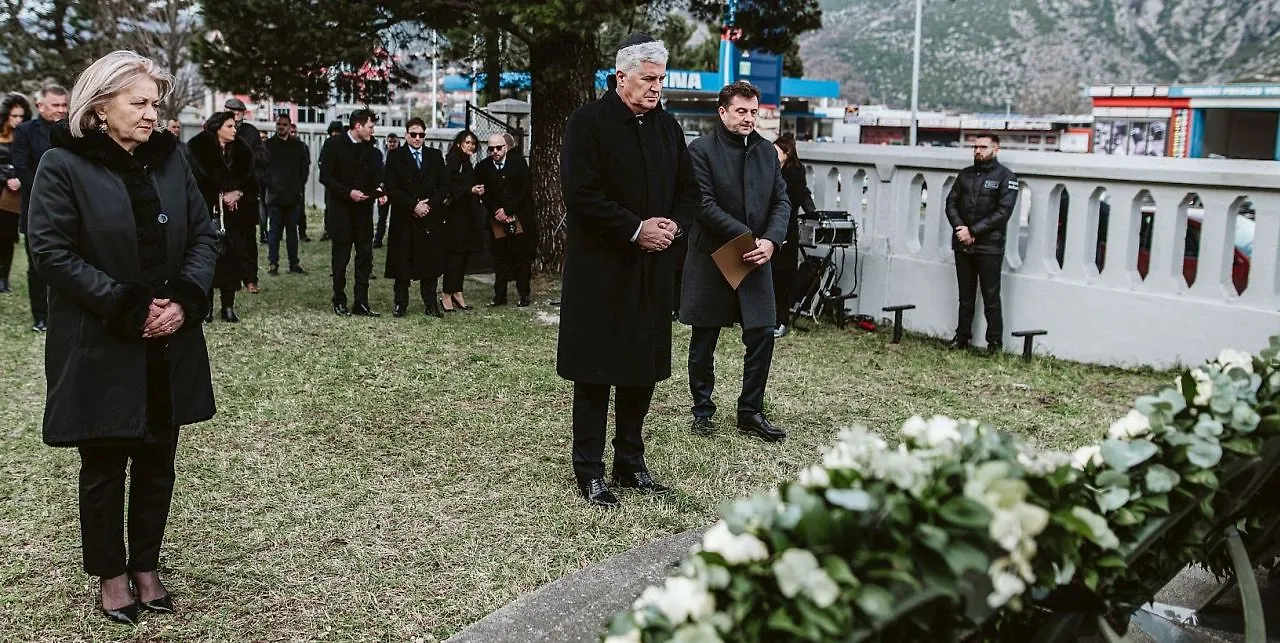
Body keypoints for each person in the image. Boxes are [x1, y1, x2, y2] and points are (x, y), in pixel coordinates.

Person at [27, 50, 218, 626]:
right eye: (138, 103)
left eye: (154, 104)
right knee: (106, 465)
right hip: (101, 343)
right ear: (100, 105)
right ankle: (111, 574)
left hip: (169, 341)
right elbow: (50, 252)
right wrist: (129, 306)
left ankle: (147, 566)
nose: (150, 114)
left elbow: (205, 235)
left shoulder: (171, 160)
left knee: (159, 461)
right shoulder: (62, 165)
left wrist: (183, 300)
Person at [558, 33, 697, 508]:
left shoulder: (668, 129)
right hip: (601, 270)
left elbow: (688, 191)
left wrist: (671, 226)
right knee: (596, 372)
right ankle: (590, 470)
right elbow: (581, 193)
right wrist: (636, 228)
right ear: (621, 78)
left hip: (651, 272)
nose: (657, 87)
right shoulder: (588, 124)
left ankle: (630, 462)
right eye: (648, 78)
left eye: (661, 79)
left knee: (640, 371)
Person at [681, 81, 790, 442]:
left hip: (757, 254)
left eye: (754, 112)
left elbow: (781, 202)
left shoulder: (766, 152)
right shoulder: (700, 150)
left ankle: (750, 411)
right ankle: (702, 410)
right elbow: (704, 205)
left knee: (762, 332)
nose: (749, 118)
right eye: (741, 111)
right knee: (704, 337)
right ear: (723, 111)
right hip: (713, 254)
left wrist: (771, 240)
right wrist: (748, 237)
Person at [944, 132, 1018, 355]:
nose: (978, 151)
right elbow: (951, 204)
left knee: (991, 297)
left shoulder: (1007, 177)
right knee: (965, 296)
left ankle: (994, 344)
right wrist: (960, 229)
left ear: (996, 149)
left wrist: (973, 231)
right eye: (975, 147)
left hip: (990, 247)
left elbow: (1003, 212)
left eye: (983, 147)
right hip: (963, 245)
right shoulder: (964, 175)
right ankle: (962, 338)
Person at [188, 111, 258, 322]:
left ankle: (228, 306)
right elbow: (195, 184)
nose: (234, 130)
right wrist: (219, 194)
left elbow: (252, 182)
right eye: (229, 126)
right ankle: (206, 306)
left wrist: (237, 192)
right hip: (208, 214)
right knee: (208, 258)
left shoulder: (242, 151)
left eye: (235, 126)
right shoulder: (198, 150)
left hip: (235, 217)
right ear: (217, 127)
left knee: (232, 259)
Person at [13, 84, 69, 331]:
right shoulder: (25, 131)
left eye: (64, 105)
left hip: (70, 209)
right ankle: (40, 316)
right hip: (36, 209)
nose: (61, 110)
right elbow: (22, 168)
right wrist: (50, 192)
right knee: (37, 267)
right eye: (55, 105)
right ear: (40, 106)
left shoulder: (73, 130)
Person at [319, 108, 385, 317]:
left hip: (364, 213)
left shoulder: (373, 151)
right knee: (341, 259)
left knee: (365, 258)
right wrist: (348, 193)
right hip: (341, 212)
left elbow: (378, 177)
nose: (373, 131)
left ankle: (361, 302)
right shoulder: (333, 145)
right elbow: (325, 177)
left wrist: (380, 192)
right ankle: (339, 299)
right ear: (358, 126)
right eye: (370, 127)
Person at [384, 117, 447, 318]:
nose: (417, 138)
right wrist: (413, 205)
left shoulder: (435, 156)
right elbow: (392, 187)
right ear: (406, 135)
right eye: (413, 134)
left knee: (430, 263)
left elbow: (444, 186)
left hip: (429, 217)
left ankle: (430, 304)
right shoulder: (395, 156)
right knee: (402, 263)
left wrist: (429, 205)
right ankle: (400, 304)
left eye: (421, 135)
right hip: (405, 217)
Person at [475, 132, 536, 307]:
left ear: (505, 147)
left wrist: (508, 210)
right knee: (500, 258)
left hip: (516, 215)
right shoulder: (483, 167)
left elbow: (524, 190)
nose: (495, 151)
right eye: (491, 148)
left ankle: (524, 294)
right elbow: (484, 193)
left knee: (521, 257)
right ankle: (499, 296)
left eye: (498, 148)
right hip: (497, 218)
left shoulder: (518, 163)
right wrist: (496, 211)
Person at [772, 133, 816, 339]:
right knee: (773, 277)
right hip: (778, 229)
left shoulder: (793, 173)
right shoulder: (779, 170)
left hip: (786, 231)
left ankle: (781, 320)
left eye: (776, 152)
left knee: (782, 277)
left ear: (787, 153)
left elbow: (796, 198)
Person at [263, 114, 309, 276]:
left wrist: (298, 185)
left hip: (293, 196)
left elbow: (305, 169)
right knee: (274, 231)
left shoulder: (298, 146)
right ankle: (273, 263)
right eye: (278, 124)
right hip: (274, 196)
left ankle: (293, 263)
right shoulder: (267, 146)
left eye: (284, 124)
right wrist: (270, 184)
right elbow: (262, 169)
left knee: (292, 231)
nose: (281, 127)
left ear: (290, 127)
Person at [223, 98, 269, 249]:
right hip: (222, 199)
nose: (236, 115)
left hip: (246, 197)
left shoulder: (251, 132)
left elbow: (262, 161)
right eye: (232, 111)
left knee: (247, 246)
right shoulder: (214, 131)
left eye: (239, 112)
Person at [0, 92, 30, 294]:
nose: (18, 120)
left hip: (11, 197)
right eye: (14, 116)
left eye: (21, 116)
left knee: (6, 236)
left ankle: (3, 279)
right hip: (2, 185)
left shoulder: (24, 137)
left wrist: (19, 178)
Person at [317, 120, 344, 241]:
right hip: (330, 182)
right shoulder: (327, 144)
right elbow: (321, 162)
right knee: (329, 207)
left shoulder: (344, 145)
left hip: (341, 182)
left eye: (337, 131)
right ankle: (328, 229)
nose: (334, 134)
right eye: (333, 131)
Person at [374, 132, 399, 248]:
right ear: (386, 142)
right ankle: (378, 239)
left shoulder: (401, 156)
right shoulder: (382, 156)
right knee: (382, 217)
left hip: (396, 190)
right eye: (390, 142)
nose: (392, 144)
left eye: (394, 142)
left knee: (396, 217)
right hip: (384, 189)